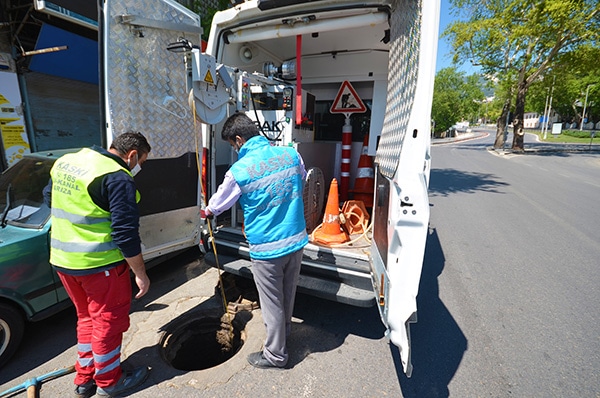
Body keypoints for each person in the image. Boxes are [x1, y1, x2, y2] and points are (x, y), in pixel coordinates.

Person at [43, 132, 152, 398]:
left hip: (63, 260)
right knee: (108, 322)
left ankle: (85, 378)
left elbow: (49, 197)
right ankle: (109, 381)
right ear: (132, 155)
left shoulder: (69, 161)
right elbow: (125, 233)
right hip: (99, 265)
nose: (139, 167)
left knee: (86, 319)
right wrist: (141, 273)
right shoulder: (118, 177)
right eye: (142, 162)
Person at [203, 113, 308, 369]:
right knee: (287, 296)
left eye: (232, 144)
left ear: (239, 139)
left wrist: (206, 211)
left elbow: (218, 205)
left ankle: (276, 356)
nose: (234, 149)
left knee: (272, 304)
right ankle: (283, 338)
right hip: (296, 241)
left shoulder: (240, 170)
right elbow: (302, 180)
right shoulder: (291, 154)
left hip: (268, 248)